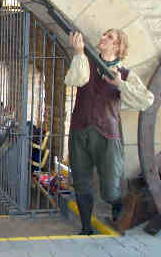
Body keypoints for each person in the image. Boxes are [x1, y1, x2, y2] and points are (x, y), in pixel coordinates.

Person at [65, 30, 154, 235]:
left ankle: (116, 203)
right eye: (103, 35)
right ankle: (86, 228)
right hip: (80, 131)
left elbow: (146, 100)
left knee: (111, 188)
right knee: (81, 181)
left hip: (108, 135)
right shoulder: (86, 61)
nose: (103, 37)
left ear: (118, 46)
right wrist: (78, 53)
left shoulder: (125, 73)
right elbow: (74, 80)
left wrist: (120, 84)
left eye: (110, 37)